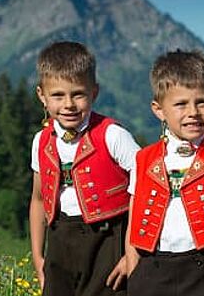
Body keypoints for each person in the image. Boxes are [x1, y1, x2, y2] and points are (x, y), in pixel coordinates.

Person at [125, 50, 204, 296]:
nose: (193, 112)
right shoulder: (143, 159)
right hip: (151, 273)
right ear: (159, 109)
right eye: (180, 104)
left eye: (202, 102)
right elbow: (134, 227)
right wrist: (135, 277)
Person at [29, 41, 140, 296]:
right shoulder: (41, 141)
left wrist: (131, 253)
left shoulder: (113, 135)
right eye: (57, 95)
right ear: (42, 96)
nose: (68, 104)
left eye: (78, 94)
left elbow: (145, 190)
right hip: (60, 241)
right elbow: (37, 200)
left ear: (94, 92)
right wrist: (38, 257)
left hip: (108, 240)